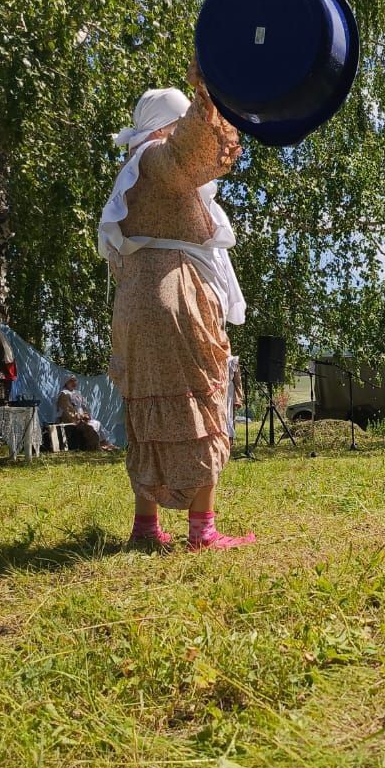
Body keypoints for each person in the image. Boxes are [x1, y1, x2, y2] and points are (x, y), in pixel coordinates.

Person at [98, 65, 256, 550]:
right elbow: (191, 150)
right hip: (175, 296)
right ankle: (202, 530)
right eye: (182, 118)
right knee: (201, 404)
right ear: (166, 125)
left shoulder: (134, 172)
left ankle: (146, 528)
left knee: (150, 411)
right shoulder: (157, 160)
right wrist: (211, 92)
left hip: (137, 300)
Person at [56, 375, 115, 451]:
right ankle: (95, 446)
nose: (74, 383)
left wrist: (86, 415)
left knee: (97, 423)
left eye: (75, 381)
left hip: (82, 419)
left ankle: (104, 444)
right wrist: (79, 418)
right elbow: (67, 411)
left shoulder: (77, 393)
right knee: (92, 426)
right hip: (71, 421)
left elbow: (85, 407)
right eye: (71, 381)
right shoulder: (64, 394)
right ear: (66, 382)